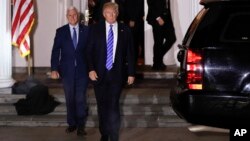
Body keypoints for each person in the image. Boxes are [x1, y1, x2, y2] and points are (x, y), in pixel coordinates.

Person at [86, 2, 135, 141]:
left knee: (113, 105)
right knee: (102, 106)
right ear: (103, 14)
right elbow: (88, 52)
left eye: (114, 12)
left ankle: (114, 135)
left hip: (117, 75)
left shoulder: (125, 30)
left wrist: (131, 73)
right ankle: (104, 133)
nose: (111, 15)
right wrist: (91, 69)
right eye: (108, 12)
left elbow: (130, 53)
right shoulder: (95, 29)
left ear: (117, 13)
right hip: (99, 75)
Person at [50, 6, 89, 136]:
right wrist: (54, 69)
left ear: (78, 16)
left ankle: (81, 125)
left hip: (83, 71)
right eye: (70, 15)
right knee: (70, 98)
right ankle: (72, 123)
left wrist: (92, 69)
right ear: (67, 17)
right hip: (66, 71)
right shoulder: (61, 31)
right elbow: (56, 51)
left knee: (80, 99)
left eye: (75, 15)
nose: (73, 17)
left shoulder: (86, 31)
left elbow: (90, 51)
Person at [146, 0, 176, 70]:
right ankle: (157, 64)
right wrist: (158, 17)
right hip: (157, 18)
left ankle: (157, 59)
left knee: (172, 38)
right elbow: (151, 3)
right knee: (158, 41)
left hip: (167, 18)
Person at [124, 0, 144, 65]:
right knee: (133, 43)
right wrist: (132, 19)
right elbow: (128, 7)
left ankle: (133, 62)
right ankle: (132, 62)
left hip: (136, 22)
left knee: (134, 43)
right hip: (133, 22)